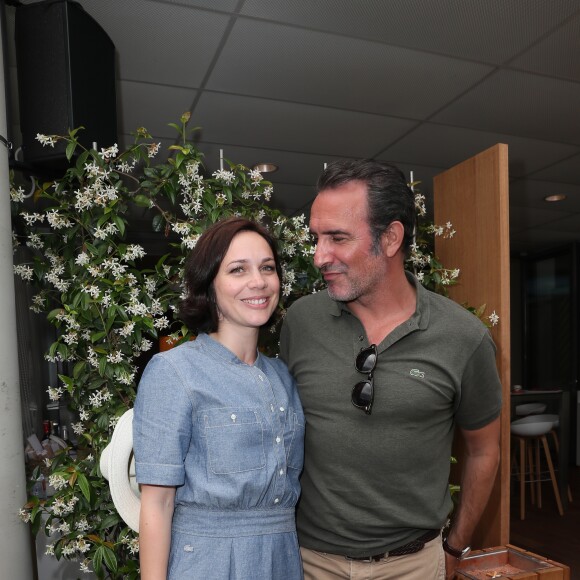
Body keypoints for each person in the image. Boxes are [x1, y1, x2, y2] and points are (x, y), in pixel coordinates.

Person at [279, 159, 502, 580]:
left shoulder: (464, 338)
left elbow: (484, 450)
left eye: (337, 238)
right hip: (308, 563)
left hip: (412, 566)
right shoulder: (300, 322)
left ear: (391, 238)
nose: (318, 255)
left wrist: (455, 548)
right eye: (316, 238)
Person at [134, 217, 305, 580]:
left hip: (282, 558)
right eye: (238, 270)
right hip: (208, 562)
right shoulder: (174, 371)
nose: (258, 282)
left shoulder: (284, 377)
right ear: (209, 286)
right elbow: (157, 502)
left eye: (267, 268)